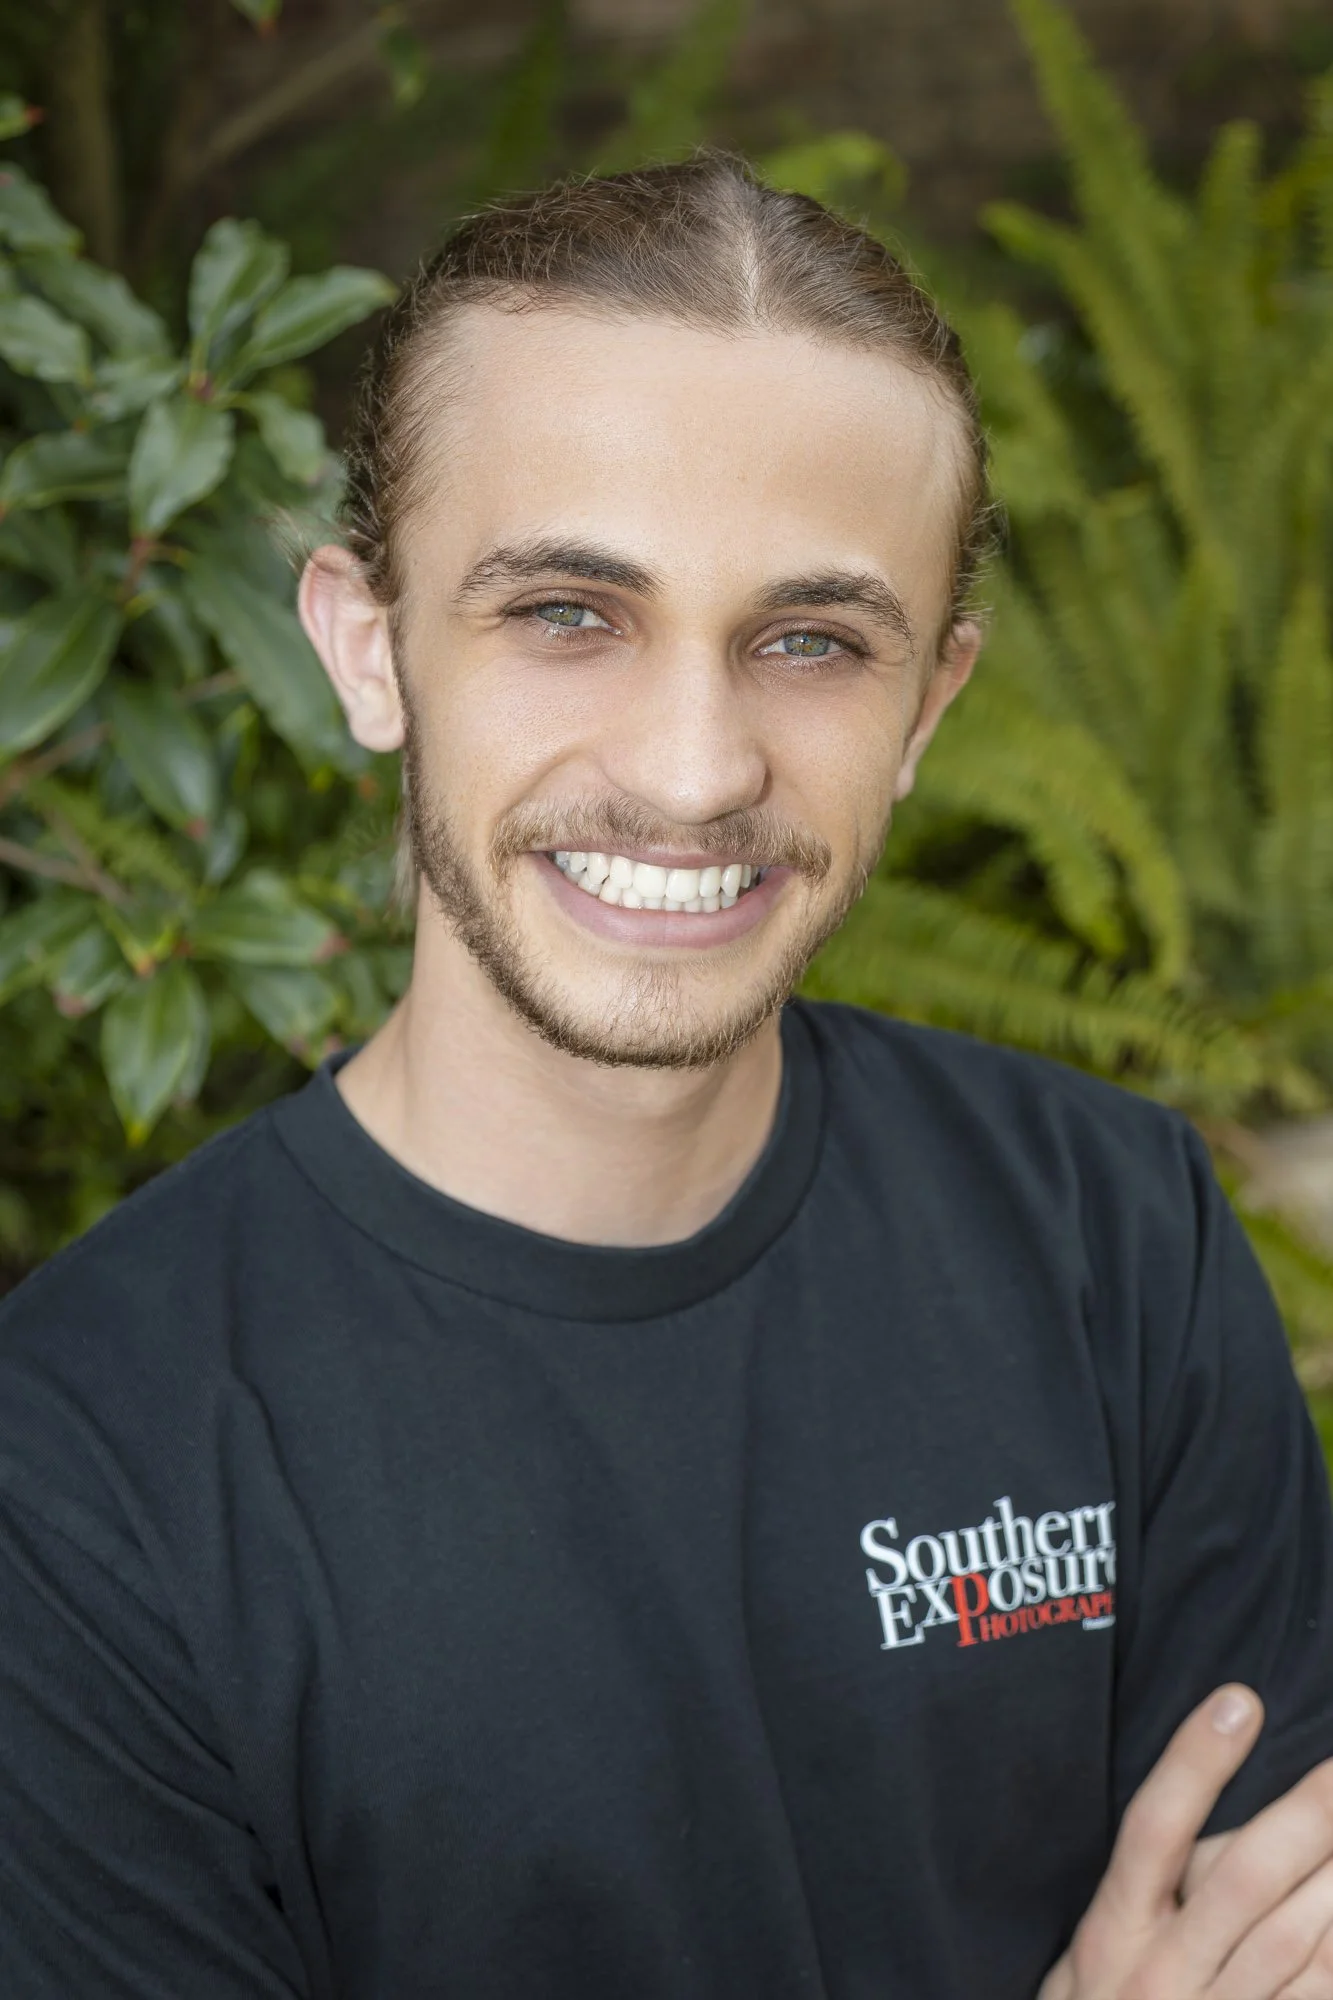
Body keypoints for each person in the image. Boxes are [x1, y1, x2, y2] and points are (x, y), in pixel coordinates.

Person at [1, 155, 1332, 2000]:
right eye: (568, 613)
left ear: (931, 703)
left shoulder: (1120, 1238)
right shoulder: (83, 1462)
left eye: (809, 642)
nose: (697, 768)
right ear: (368, 649)